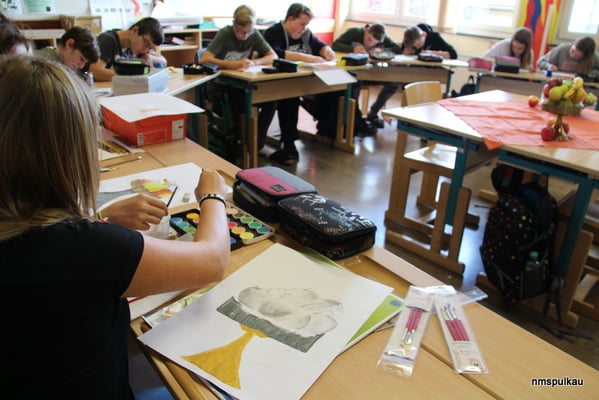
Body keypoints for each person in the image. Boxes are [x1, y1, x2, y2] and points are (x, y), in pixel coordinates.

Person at [0, 55, 231, 398]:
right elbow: (213, 260)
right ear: (72, 153)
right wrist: (213, 195)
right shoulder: (86, 249)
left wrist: (101, 217)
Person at [260, 3, 336, 164]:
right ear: (290, 19)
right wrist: (307, 58)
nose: (304, 28)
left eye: (306, 25)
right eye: (302, 24)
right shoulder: (274, 32)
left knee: (332, 91)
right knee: (289, 98)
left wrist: (327, 51)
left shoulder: (305, 33)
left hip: (300, 80)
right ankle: (288, 145)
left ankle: (327, 131)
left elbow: (319, 46)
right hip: (274, 83)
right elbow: (275, 53)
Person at [332, 23, 402, 129]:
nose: (370, 44)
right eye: (369, 39)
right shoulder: (354, 32)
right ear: (366, 30)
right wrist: (352, 48)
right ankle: (354, 119)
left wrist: (382, 51)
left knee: (393, 83)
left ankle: (373, 113)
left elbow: (398, 48)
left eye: (375, 43)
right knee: (354, 83)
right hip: (355, 72)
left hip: (372, 72)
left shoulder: (383, 36)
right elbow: (335, 45)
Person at [88, 17, 167, 82]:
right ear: (135, 30)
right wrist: (130, 78)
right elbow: (94, 70)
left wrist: (148, 56)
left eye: (149, 48)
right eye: (146, 44)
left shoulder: (134, 46)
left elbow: (163, 61)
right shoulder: (107, 40)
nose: (145, 50)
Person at [200, 4, 276, 70]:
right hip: (221, 77)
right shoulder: (225, 33)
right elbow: (204, 60)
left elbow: (273, 56)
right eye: (243, 32)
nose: (246, 36)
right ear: (234, 25)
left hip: (242, 75)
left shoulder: (254, 33)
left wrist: (254, 62)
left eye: (249, 31)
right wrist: (233, 65)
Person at [35, 26, 100, 71]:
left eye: (85, 63)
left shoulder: (65, 64)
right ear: (69, 44)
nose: (81, 66)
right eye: (81, 59)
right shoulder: (41, 64)